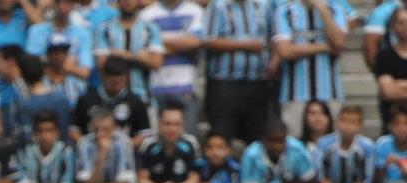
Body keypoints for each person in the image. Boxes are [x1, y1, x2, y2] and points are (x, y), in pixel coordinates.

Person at [203, 0, 272, 145]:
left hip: (257, 81)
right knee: (223, 135)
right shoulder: (218, 6)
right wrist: (246, 45)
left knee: (256, 136)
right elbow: (209, 41)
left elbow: (271, 37)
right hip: (224, 82)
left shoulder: (262, 5)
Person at [272, 0, 346, 134]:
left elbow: (339, 43)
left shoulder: (335, 10)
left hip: (330, 92)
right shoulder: (284, 11)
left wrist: (323, 10)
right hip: (294, 94)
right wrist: (325, 47)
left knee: (330, 142)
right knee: (295, 142)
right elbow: (284, 51)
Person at [141, 0, 205, 134]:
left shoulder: (195, 11)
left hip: (187, 87)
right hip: (157, 88)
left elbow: (195, 42)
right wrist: (181, 43)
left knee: (188, 138)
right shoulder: (147, 14)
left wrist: (156, 39)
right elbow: (143, 51)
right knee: (158, 139)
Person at [95, 0, 164, 101]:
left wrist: (122, 55)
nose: (128, 2)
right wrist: (141, 58)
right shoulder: (104, 29)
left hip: (143, 95)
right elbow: (102, 63)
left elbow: (156, 62)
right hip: (112, 97)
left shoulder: (151, 28)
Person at [239, 115, 317, 183]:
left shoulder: (297, 149)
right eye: (272, 141)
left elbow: (310, 181)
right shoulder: (251, 155)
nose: (277, 146)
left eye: (281, 141)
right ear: (263, 140)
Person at [73, 56, 151, 140]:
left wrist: (125, 147)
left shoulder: (135, 101)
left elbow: (144, 133)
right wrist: (85, 147)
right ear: (102, 76)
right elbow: (74, 130)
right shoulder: (86, 100)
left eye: (121, 82)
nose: (117, 87)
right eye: (113, 83)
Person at [136, 99, 201, 183]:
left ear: (182, 126)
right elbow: (142, 180)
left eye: (176, 124)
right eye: (167, 124)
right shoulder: (148, 145)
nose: (172, 129)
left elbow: (194, 180)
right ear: (159, 124)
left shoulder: (191, 144)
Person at [316, 103, 374, 183]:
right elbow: (320, 175)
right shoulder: (324, 144)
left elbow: (366, 179)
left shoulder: (367, 147)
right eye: (343, 120)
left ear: (360, 125)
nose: (347, 126)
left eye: (352, 122)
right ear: (337, 122)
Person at [16, 108, 79, 183]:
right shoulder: (25, 152)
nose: (45, 135)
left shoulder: (66, 151)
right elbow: (22, 180)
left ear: (57, 132)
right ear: (35, 133)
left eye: (49, 130)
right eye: (40, 131)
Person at [27, 0, 95, 78]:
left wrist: (48, 62)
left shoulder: (83, 34)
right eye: (58, 2)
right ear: (53, 4)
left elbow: (85, 72)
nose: (62, 7)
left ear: (73, 5)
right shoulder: (36, 31)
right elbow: (32, 67)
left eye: (67, 2)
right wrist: (68, 65)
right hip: (45, 85)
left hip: (75, 87)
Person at [77, 105, 137, 183]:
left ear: (114, 128)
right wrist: (101, 157)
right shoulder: (84, 144)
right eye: (96, 129)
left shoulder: (124, 143)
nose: (100, 134)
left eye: (105, 129)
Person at [375, 7, 407, 126]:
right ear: (393, 26)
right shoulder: (384, 56)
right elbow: (388, 92)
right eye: (400, 22)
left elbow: (394, 89)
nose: (405, 26)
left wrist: (399, 84)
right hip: (393, 124)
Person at [373, 104, 407, 183]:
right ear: (389, 126)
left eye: (406, 124)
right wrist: (385, 165)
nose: (402, 128)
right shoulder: (382, 144)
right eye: (396, 124)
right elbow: (376, 182)